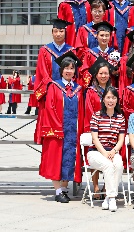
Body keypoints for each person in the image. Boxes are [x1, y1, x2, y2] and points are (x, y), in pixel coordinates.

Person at [36, 53, 85, 204]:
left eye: (72, 68)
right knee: (56, 160)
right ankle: (58, 191)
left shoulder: (78, 89)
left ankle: (64, 189)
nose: (69, 71)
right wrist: (58, 127)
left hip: (73, 131)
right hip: (58, 130)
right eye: (66, 68)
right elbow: (50, 108)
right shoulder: (54, 86)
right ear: (61, 70)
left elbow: (82, 110)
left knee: (70, 159)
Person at [86, 86, 126, 212]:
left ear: (117, 100)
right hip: (96, 152)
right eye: (108, 97)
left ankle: (108, 197)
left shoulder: (120, 118)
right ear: (103, 99)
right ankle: (112, 198)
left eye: (113, 98)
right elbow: (95, 139)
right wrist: (104, 153)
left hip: (112, 151)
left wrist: (113, 151)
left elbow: (121, 140)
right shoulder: (96, 116)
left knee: (119, 165)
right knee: (108, 165)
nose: (111, 100)